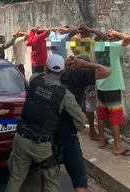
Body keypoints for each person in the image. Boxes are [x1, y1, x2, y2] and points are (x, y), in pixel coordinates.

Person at [5, 54, 86, 192]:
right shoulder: (64, 94)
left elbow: (42, 75)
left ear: (44, 68)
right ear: (63, 71)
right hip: (41, 144)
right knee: (51, 179)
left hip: (21, 137)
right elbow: (81, 120)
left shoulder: (34, 79)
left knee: (16, 178)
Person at [57, 54, 111, 192]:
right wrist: (86, 65)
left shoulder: (57, 75)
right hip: (68, 132)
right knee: (80, 179)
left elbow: (50, 68)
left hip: (50, 129)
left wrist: (65, 63)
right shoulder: (80, 76)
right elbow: (106, 71)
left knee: (49, 173)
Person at [95, 29, 130, 156]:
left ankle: (102, 140)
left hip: (101, 85)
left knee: (101, 115)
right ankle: (117, 147)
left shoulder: (98, 46)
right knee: (115, 118)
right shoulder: (114, 46)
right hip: (112, 87)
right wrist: (117, 33)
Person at [70, 24, 106, 141]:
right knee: (87, 103)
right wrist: (88, 29)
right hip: (85, 74)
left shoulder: (77, 40)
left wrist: (84, 30)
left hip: (79, 74)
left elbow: (104, 37)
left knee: (82, 102)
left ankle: (84, 127)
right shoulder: (83, 41)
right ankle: (91, 130)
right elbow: (103, 37)